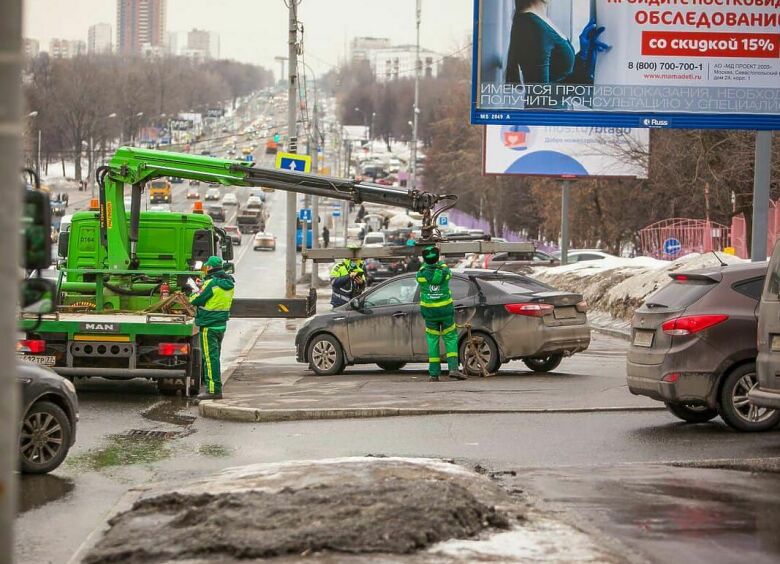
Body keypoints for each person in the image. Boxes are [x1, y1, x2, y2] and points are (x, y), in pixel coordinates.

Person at [505, 0, 608, 86]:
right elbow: (540, 96)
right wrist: (583, 73)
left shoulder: (539, 20)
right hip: (547, 110)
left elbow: (559, 74)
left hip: (557, 109)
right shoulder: (530, 24)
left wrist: (583, 54)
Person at [416, 246, 467, 382]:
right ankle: (454, 369)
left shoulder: (420, 274)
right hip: (445, 311)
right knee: (450, 338)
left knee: (432, 341)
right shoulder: (445, 272)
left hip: (430, 312)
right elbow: (445, 269)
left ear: (425, 259)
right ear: (438, 259)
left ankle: (434, 374)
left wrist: (429, 261)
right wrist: (441, 261)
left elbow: (424, 266)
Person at [189, 256, 235, 401]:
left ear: (209, 268)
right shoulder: (229, 283)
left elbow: (195, 299)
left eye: (206, 267)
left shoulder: (211, 283)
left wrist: (195, 289)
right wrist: (204, 285)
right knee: (214, 357)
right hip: (221, 325)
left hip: (209, 325)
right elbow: (214, 294)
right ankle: (212, 386)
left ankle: (214, 390)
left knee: (209, 359)